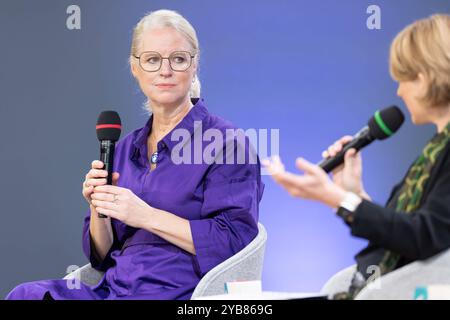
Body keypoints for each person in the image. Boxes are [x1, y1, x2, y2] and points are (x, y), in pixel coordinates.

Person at [6, 9, 263, 300]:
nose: (164, 71)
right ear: (134, 68)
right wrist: (98, 208)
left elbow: (235, 242)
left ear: (194, 66)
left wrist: (146, 216)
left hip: (178, 292)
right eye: (152, 60)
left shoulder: (227, 144)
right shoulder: (125, 148)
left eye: (177, 59)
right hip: (114, 290)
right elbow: (101, 258)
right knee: (26, 294)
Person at [263, 14, 450, 298]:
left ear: (424, 79)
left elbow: (424, 237)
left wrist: (338, 199)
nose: (399, 92)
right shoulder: (436, 149)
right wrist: (353, 193)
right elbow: (403, 233)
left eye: (402, 80)